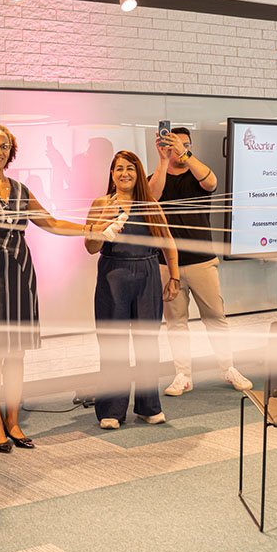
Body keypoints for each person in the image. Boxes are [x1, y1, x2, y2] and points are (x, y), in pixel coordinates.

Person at [0, 123, 110, 453]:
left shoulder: (20, 190)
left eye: (4, 146)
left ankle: (13, 421)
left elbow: (51, 222)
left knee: (16, 354)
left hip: (19, 273)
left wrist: (90, 228)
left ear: (10, 151)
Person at [149, 127, 251, 395]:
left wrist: (185, 155)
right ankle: (183, 375)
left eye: (185, 144)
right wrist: (163, 160)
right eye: (174, 144)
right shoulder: (157, 176)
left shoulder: (197, 175)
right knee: (176, 322)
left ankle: (228, 368)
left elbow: (211, 182)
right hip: (166, 263)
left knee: (215, 317)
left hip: (202, 261)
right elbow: (151, 198)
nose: (180, 148)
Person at [86, 151, 181, 429]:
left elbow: (168, 242)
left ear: (138, 173)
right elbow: (90, 247)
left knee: (147, 344)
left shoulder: (150, 205)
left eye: (130, 168)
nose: (124, 173)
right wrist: (102, 223)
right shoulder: (101, 203)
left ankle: (148, 407)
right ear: (111, 174)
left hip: (147, 274)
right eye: (119, 169)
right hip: (112, 275)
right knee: (113, 344)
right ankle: (111, 410)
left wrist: (174, 277)